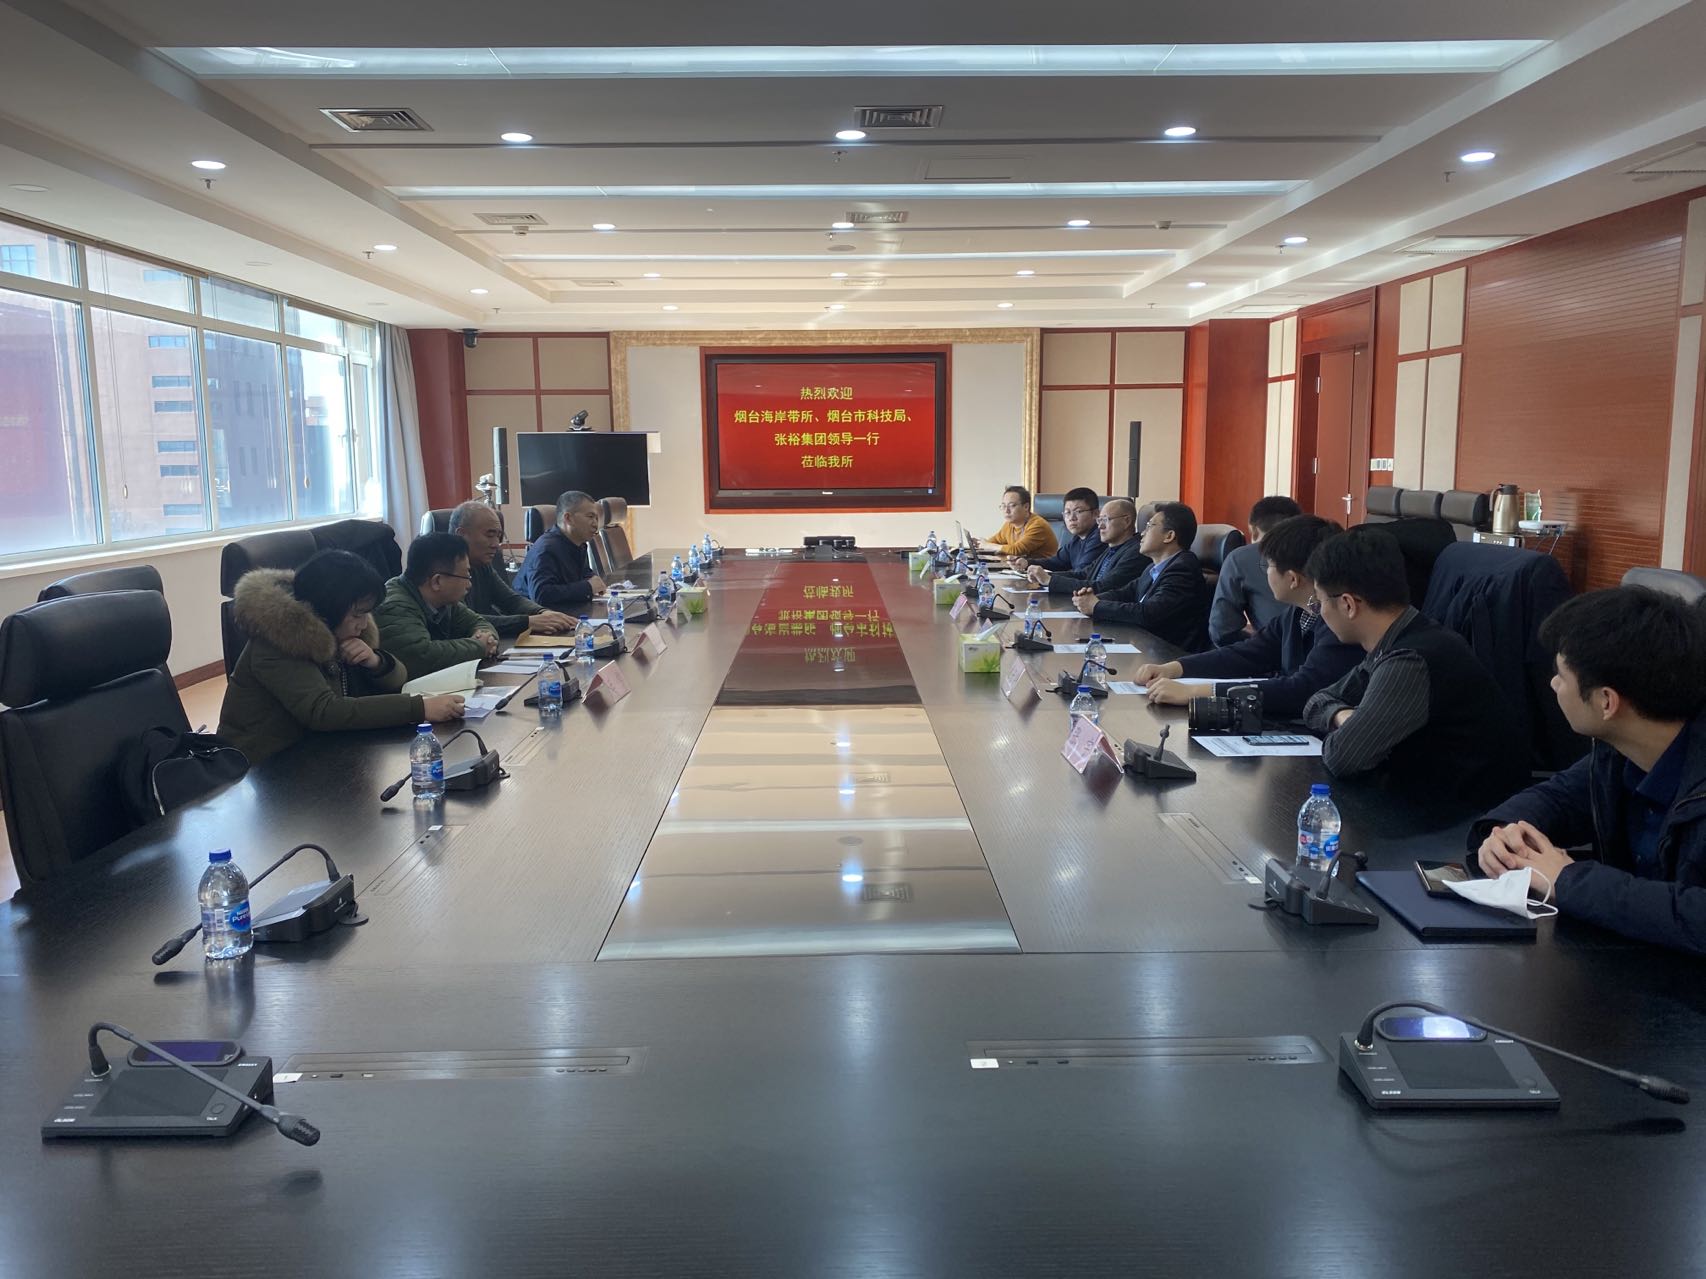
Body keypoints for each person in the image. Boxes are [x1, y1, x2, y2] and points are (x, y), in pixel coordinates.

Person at [1468, 587, 1706, 952]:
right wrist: (1504, 834)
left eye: (1562, 676)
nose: (1553, 684)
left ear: (1607, 701)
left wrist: (1567, 879)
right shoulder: (1620, 750)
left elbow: (1696, 915)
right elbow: (1559, 797)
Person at [1300, 527, 1526, 795]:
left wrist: (1344, 723)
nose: (1319, 612)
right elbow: (1315, 703)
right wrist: (1343, 715)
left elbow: (1344, 757)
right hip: (1423, 801)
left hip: (1458, 813)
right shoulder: (1399, 636)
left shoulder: (1409, 661)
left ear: (1348, 604)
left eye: (1319, 603)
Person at [218, 550, 464, 764]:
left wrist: (376, 662)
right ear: (329, 607)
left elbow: (399, 678)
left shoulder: (338, 630)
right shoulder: (280, 639)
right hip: (262, 765)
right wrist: (419, 708)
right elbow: (324, 711)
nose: (364, 624)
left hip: (319, 749)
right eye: (357, 615)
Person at [1132, 515, 1360, 718]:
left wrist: (1195, 692)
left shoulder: (1338, 623)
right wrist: (1175, 668)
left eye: (1268, 565)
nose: (1266, 572)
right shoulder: (1299, 611)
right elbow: (1249, 653)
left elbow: (1302, 690)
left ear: (1293, 579)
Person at [1071, 501, 1211, 651]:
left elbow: (1148, 613)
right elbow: (1125, 593)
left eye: (1149, 526)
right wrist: (1091, 599)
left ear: (1169, 536)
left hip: (1167, 654)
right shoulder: (1153, 567)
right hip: (1142, 643)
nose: (1142, 533)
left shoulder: (1183, 570)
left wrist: (1096, 606)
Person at [376, 531, 500, 679]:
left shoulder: (444, 601)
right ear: (437, 581)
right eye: (466, 576)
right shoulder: (394, 606)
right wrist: (479, 647)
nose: (469, 584)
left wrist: (487, 638)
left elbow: (478, 622)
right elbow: (420, 656)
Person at [448, 501, 574, 637]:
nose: (496, 544)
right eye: (489, 535)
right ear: (461, 534)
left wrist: (543, 613)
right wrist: (527, 622)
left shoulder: (482, 564)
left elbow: (510, 600)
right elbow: (465, 621)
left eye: (498, 536)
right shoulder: (445, 572)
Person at [1209, 495, 1302, 646]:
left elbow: (1222, 631)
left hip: (1274, 654)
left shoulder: (1241, 558)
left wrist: (1257, 645)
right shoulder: (1322, 552)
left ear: (1254, 531)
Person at [1029, 497, 1150, 596]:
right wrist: (1045, 576)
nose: (1100, 526)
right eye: (1099, 520)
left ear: (1126, 521)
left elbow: (1103, 587)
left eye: (1105, 520)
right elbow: (1083, 574)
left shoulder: (1136, 552)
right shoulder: (1112, 548)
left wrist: (1050, 580)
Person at [514, 489, 609, 609]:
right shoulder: (547, 549)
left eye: (596, 518)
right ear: (568, 518)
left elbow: (583, 573)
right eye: (590, 517)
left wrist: (594, 580)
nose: (595, 524)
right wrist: (588, 587)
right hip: (534, 616)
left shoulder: (578, 544)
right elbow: (541, 595)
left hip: (563, 612)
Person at [1013, 487, 1100, 576]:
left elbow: (1082, 574)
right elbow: (1056, 562)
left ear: (1095, 514)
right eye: (1067, 512)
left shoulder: (1099, 538)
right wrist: (1027, 563)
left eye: (1078, 511)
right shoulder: (1077, 539)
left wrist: (1046, 577)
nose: (1071, 518)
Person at [975, 485, 1058, 559]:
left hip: (1042, 569)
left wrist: (988, 545)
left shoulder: (1038, 525)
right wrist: (979, 544)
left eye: (1012, 505)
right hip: (1020, 568)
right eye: (1003, 506)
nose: (1006, 511)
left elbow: (1017, 550)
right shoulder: (1009, 525)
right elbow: (994, 541)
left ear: (1026, 507)